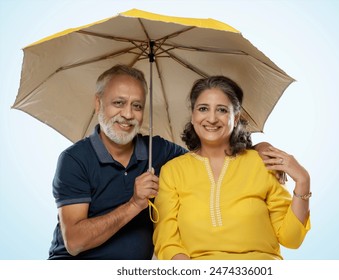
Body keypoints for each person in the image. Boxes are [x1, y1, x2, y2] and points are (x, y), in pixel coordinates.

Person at [48, 65, 280, 259]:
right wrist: (135, 204)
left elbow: (208, 153)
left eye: (137, 105)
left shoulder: (157, 150)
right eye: (118, 103)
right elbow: (75, 242)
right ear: (98, 103)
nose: (128, 114)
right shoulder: (74, 160)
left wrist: (256, 149)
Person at [153, 75, 311, 260]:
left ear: (235, 118)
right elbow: (166, 238)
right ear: (193, 116)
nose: (211, 118)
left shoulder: (262, 163)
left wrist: (303, 181)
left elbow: (292, 239)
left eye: (221, 110)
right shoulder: (173, 171)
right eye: (203, 109)